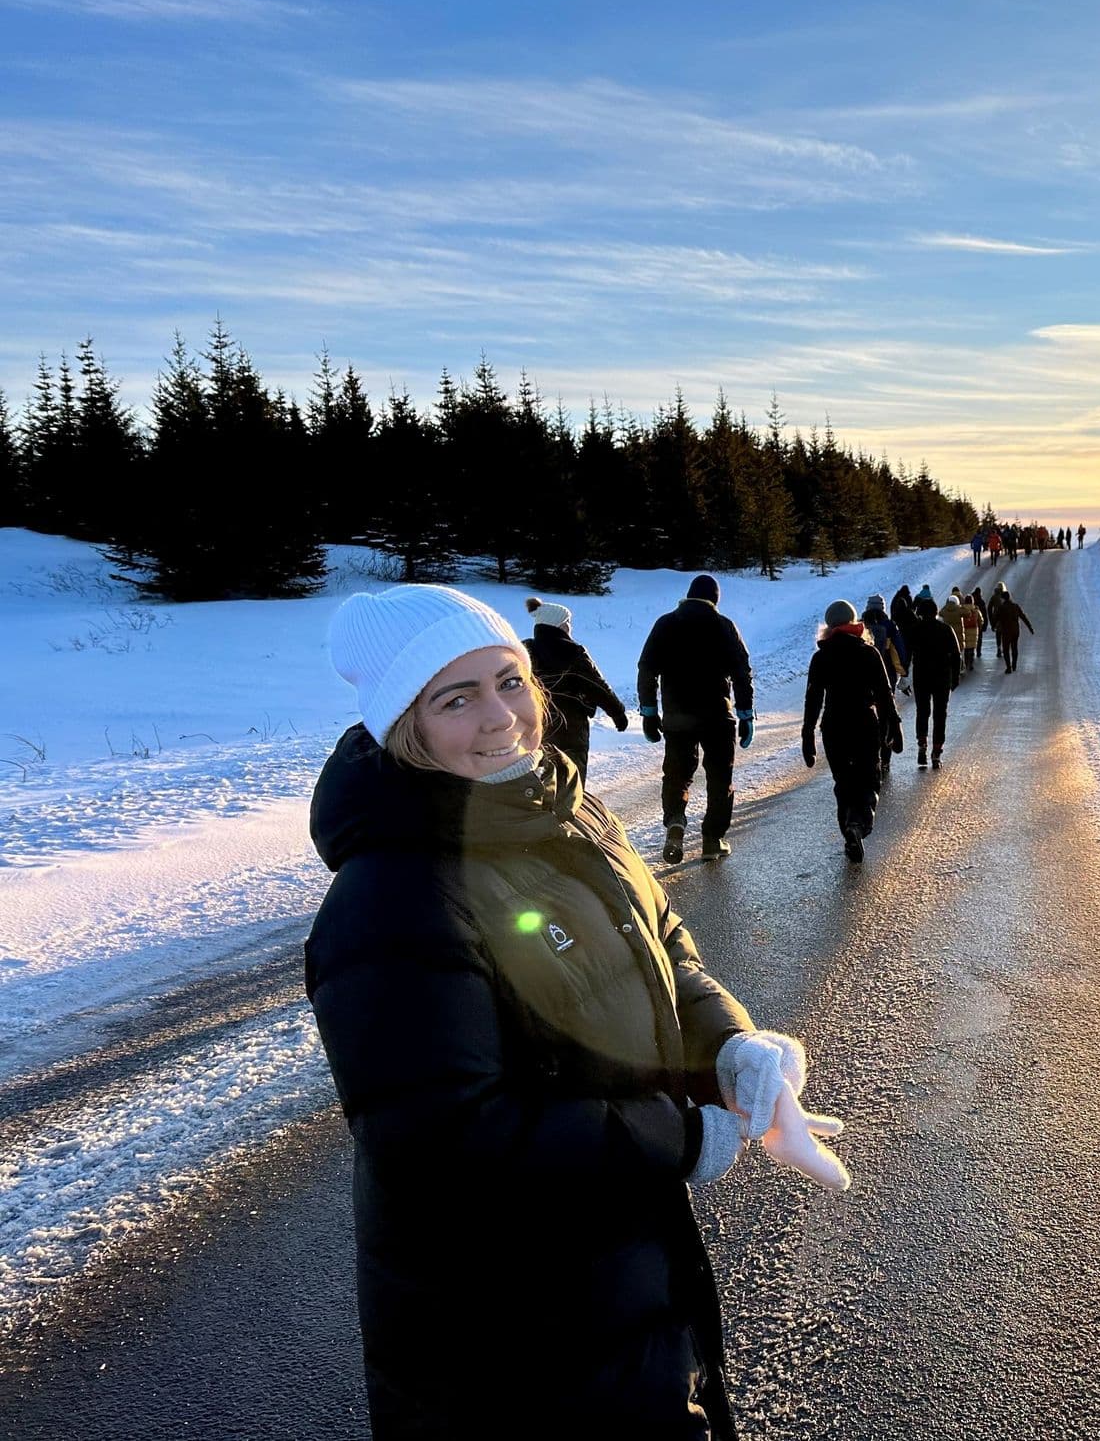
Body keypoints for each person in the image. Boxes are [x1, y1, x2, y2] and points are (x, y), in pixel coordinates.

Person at [308, 583, 848, 1437]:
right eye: (457, 697)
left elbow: (662, 947)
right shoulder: (393, 896)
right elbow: (442, 1144)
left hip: (619, 1273)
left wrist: (729, 1047)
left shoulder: (565, 807)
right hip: (507, 1339)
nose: (502, 718)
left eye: (511, 680)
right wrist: (677, 1133)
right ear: (402, 723)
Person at [637, 573, 754, 864]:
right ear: (715, 599)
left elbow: (647, 669)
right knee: (719, 776)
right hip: (717, 715)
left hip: (677, 717)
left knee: (677, 773)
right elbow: (742, 672)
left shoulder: (666, 624)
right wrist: (745, 714)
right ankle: (712, 840)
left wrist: (649, 712)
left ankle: (675, 820)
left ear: (688, 596)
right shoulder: (724, 626)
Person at [801, 600, 900, 863]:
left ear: (829, 626)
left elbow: (813, 700)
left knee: (844, 782)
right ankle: (859, 825)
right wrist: (894, 726)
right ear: (854, 622)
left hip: (834, 726)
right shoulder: (869, 653)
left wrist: (807, 735)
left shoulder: (821, 657)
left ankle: (848, 832)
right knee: (868, 779)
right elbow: (884, 695)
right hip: (865, 724)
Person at [521, 596, 627, 785]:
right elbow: (595, 685)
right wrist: (617, 712)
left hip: (535, 723)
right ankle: (570, 812)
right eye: (567, 622)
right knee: (571, 775)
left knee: (540, 773)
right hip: (571, 726)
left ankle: (541, 811)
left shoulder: (524, 651)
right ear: (558, 625)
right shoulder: (572, 651)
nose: (570, 627)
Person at [905, 591, 962, 769]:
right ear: (936, 611)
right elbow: (956, 655)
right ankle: (937, 751)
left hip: (921, 676)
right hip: (942, 677)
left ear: (920, 613)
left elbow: (906, 653)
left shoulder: (915, 630)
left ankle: (922, 742)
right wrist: (955, 677)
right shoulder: (946, 630)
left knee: (922, 711)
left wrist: (904, 674)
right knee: (940, 714)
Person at [860, 593, 905, 770]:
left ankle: (869, 754)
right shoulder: (890, 626)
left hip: (864, 677)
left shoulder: (860, 625)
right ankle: (885, 758)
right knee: (885, 713)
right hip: (887, 675)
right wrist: (904, 671)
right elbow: (899, 649)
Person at [989, 583, 1036, 673]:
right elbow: (1023, 617)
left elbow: (996, 618)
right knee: (1015, 648)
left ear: (1003, 599)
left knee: (1006, 649)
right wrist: (1030, 628)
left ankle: (1009, 667)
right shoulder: (1015, 606)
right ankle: (1014, 664)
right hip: (1015, 631)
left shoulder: (1001, 608)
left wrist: (993, 626)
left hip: (1006, 631)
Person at [889, 585, 917, 690]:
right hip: (909, 638)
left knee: (900, 657)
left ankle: (903, 677)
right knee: (908, 657)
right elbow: (916, 622)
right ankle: (904, 679)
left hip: (899, 637)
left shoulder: (895, 607)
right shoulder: (909, 613)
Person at [958, 590, 983, 673]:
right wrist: (979, 627)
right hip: (974, 630)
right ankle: (971, 663)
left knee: (965, 647)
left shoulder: (962, 609)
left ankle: (965, 663)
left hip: (964, 629)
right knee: (972, 648)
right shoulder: (975, 609)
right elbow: (980, 620)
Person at [968, 587, 989, 660]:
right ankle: (978, 651)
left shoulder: (970, 600)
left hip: (970, 623)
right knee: (979, 638)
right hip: (978, 623)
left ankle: (972, 652)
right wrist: (985, 624)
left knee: (971, 638)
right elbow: (984, 614)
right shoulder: (981, 602)